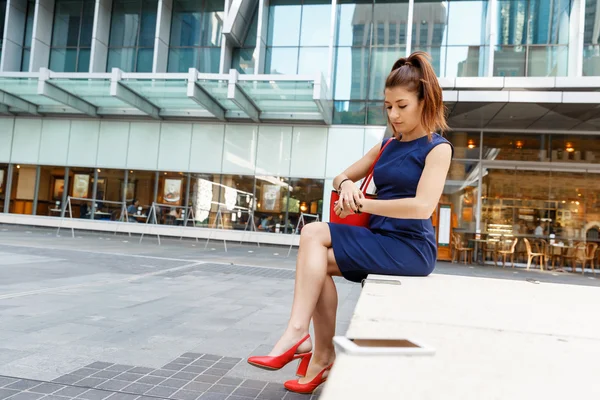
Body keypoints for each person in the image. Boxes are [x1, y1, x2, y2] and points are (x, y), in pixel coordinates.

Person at [247, 51, 453, 394]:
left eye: (401, 105)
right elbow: (340, 176)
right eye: (388, 106)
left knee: (313, 233)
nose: (393, 114)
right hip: (378, 236)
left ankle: (300, 337)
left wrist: (368, 202)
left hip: (410, 248)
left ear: (424, 101)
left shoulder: (437, 148)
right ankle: (321, 353)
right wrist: (347, 187)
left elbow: (422, 207)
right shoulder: (387, 145)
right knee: (315, 265)